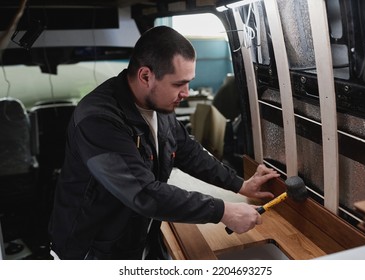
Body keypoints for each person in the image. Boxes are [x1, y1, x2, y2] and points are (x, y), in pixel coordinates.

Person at [48, 25, 280, 260]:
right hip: (90, 251)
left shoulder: (159, 105)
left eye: (189, 82)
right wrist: (223, 211)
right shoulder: (98, 120)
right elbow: (144, 193)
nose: (186, 93)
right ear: (146, 76)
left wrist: (240, 184)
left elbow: (188, 151)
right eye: (179, 84)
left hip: (135, 238)